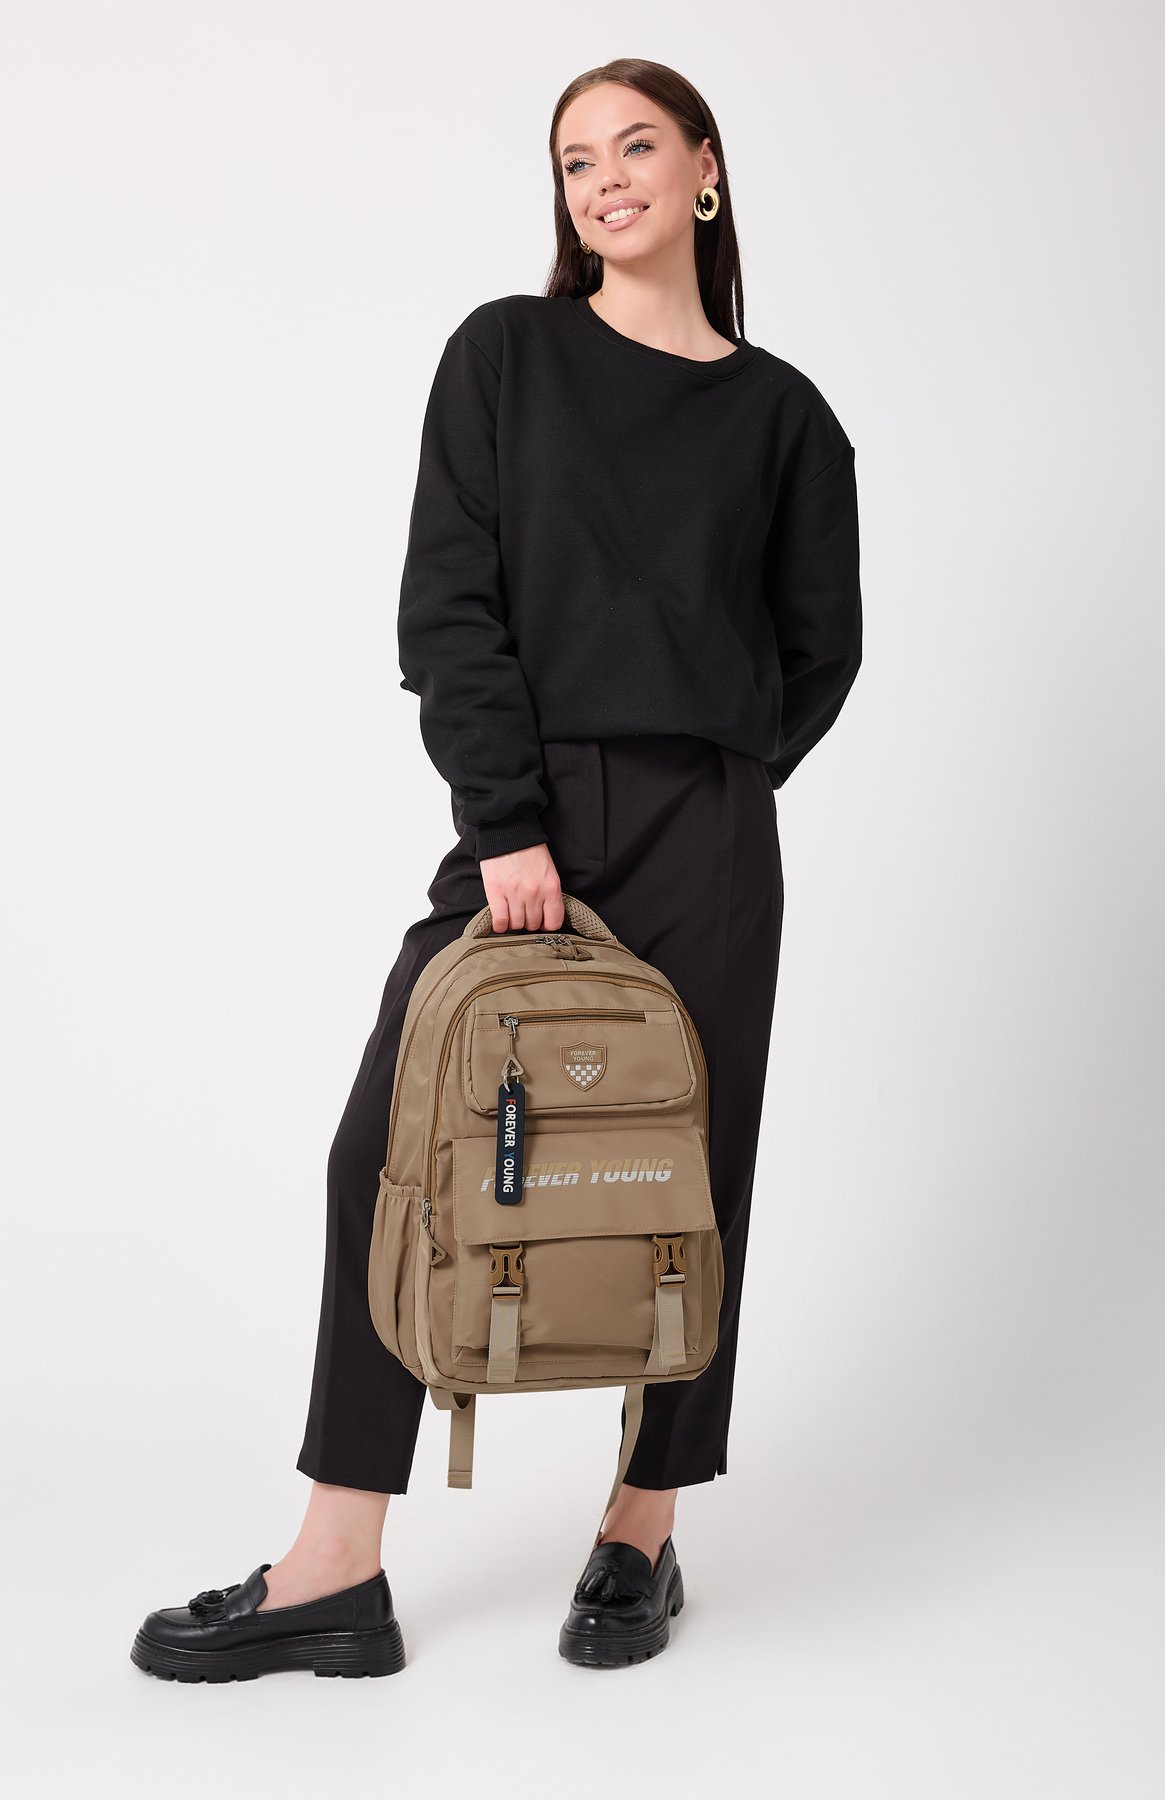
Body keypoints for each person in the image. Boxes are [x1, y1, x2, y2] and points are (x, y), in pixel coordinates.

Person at [130, 54, 863, 1682]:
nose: (605, 181)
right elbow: (448, 605)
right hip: (531, 817)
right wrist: (511, 818)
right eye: (575, 160)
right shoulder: (507, 356)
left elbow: (822, 650)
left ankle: (643, 1527)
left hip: (711, 829)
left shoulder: (787, 419)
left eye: (635, 147)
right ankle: (336, 1562)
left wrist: (719, 776)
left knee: (689, 1176)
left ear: (706, 171)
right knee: (390, 1149)